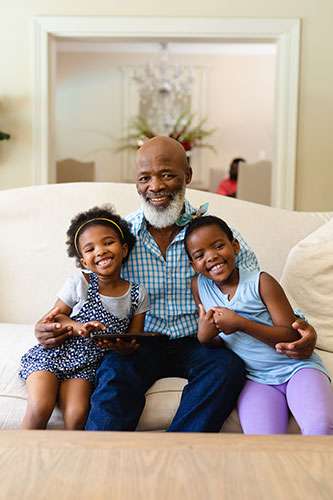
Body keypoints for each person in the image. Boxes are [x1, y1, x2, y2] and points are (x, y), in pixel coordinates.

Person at [35, 136, 318, 432]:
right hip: (141, 341)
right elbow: (84, 285)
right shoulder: (119, 238)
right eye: (145, 178)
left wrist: (300, 326)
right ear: (136, 183)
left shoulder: (215, 237)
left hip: (199, 341)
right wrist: (52, 326)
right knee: (114, 371)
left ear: (188, 176)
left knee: (227, 369)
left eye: (167, 174)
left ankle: (179, 450)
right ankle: (103, 458)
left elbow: (255, 289)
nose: (155, 186)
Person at [184, 215, 333, 434]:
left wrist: (242, 324)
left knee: (320, 427)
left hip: (296, 368)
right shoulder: (199, 286)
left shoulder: (261, 282)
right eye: (200, 255)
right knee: (262, 442)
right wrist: (205, 337)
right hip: (255, 379)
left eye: (218, 246)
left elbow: (291, 336)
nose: (212, 257)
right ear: (193, 264)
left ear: (234, 246)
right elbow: (216, 338)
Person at [20, 205, 148, 429]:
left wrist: (124, 347)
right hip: (54, 355)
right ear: (83, 261)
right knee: (41, 406)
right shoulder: (80, 282)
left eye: (108, 242)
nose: (100, 251)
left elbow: (135, 338)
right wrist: (78, 326)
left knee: (76, 416)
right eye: (90, 249)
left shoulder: (138, 294)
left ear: (125, 249)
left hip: (87, 366)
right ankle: (21, 460)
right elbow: (54, 318)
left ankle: (70, 460)